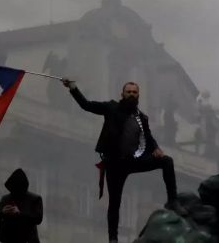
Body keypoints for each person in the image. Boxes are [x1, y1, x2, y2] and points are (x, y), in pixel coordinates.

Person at [62, 79, 186, 243]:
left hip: (134, 160)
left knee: (167, 161)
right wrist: (73, 88)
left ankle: (173, 201)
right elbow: (86, 105)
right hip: (114, 163)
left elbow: (148, 137)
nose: (132, 95)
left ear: (138, 95)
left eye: (134, 92)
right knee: (114, 202)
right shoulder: (111, 108)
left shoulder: (141, 117)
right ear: (122, 94)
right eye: (129, 92)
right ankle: (113, 238)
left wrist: (155, 148)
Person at [0, 169, 43, 243]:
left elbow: (38, 219)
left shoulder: (35, 199)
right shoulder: (6, 199)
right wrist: (2, 212)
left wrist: (19, 213)